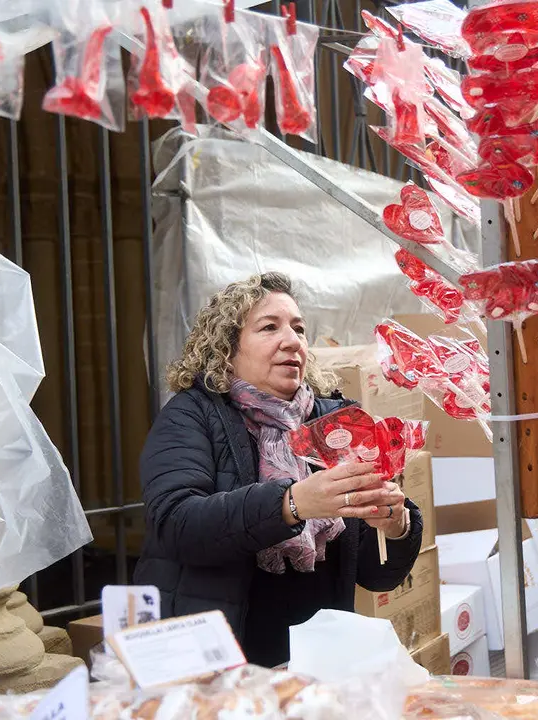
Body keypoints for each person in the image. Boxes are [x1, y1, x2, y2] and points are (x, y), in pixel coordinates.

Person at [133, 272, 423, 667]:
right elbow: (176, 523)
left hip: (319, 663)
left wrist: (395, 526)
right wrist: (291, 503)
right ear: (226, 348)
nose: (292, 341)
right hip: (223, 661)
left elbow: (377, 576)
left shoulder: (337, 422)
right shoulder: (191, 415)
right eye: (269, 327)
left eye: (299, 329)